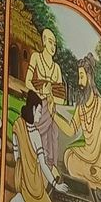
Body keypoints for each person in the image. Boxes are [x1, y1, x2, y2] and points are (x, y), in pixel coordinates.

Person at [56, 54, 101, 192]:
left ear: (89, 78)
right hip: (87, 156)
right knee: (68, 156)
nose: (79, 82)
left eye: (81, 77)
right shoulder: (81, 106)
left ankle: (99, 182)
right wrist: (53, 114)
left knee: (95, 171)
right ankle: (94, 185)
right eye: (79, 77)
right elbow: (71, 130)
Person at [10, 90, 68, 202]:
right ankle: (22, 201)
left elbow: (16, 153)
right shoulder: (35, 134)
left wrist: (24, 166)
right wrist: (56, 185)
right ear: (33, 109)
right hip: (33, 184)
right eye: (39, 112)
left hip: (20, 178)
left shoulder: (18, 125)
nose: (41, 115)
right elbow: (42, 164)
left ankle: (22, 197)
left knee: (50, 171)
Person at [24, 27, 64, 170]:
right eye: (51, 42)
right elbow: (28, 82)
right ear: (44, 41)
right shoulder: (36, 57)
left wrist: (50, 95)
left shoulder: (57, 68)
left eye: (55, 44)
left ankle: (50, 167)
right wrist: (41, 92)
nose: (53, 47)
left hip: (51, 109)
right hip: (39, 105)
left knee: (53, 136)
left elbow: (61, 98)